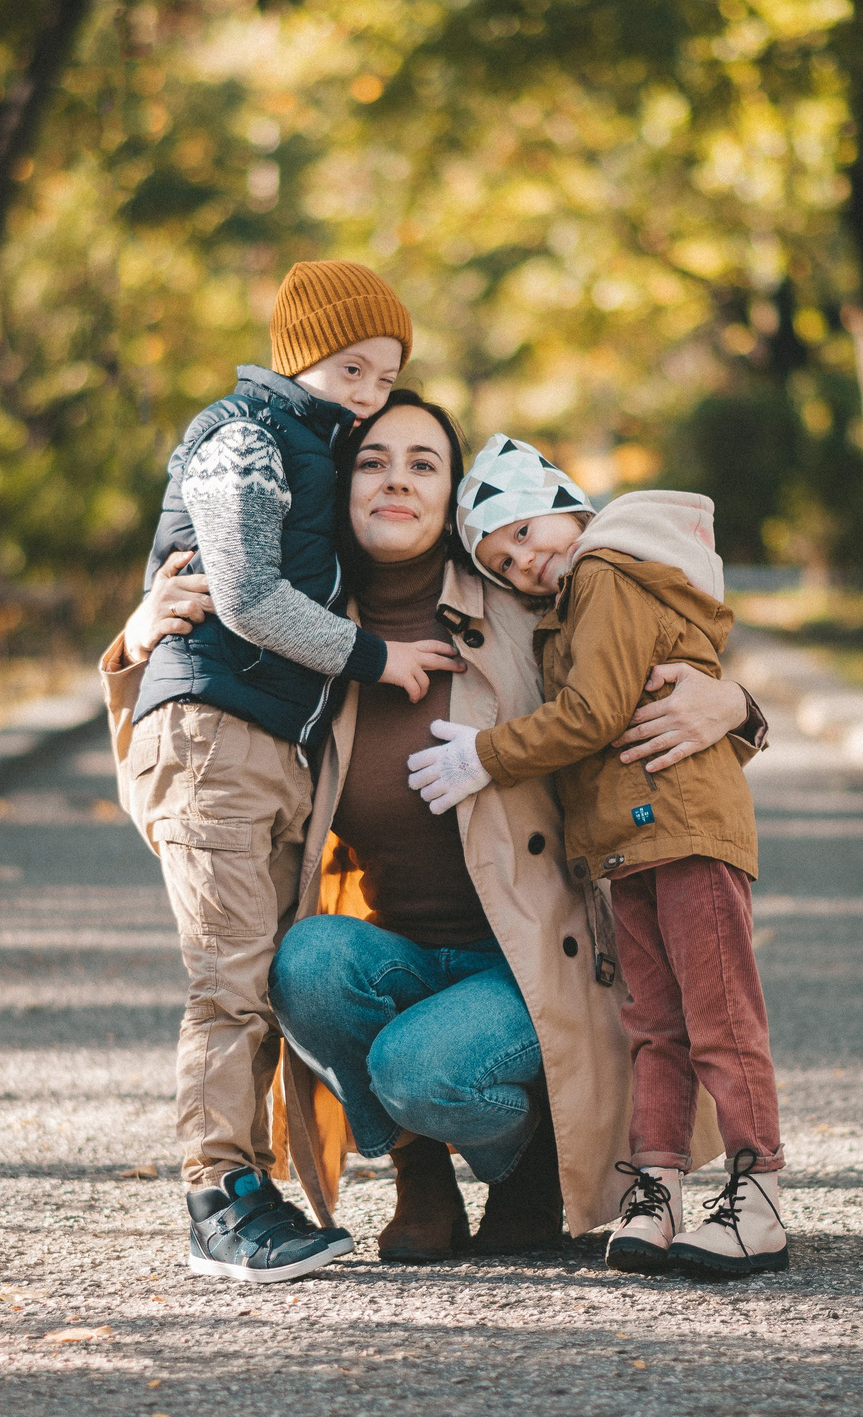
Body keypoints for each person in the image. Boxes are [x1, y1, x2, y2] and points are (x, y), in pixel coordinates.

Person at [112, 397, 765, 1263]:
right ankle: (425, 1177)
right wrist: (134, 640)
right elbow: (189, 756)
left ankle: (530, 1158)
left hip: (532, 962)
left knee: (418, 1070)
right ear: (340, 490)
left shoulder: (527, 604)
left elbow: (654, 659)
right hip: (401, 953)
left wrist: (739, 708)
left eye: (425, 463)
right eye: (374, 461)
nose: (396, 479)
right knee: (303, 963)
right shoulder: (298, 630)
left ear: (455, 500)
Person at [118, 261, 464, 1285]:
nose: (366, 391)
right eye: (351, 367)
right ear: (294, 353)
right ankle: (218, 1199)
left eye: (385, 374)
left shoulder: (319, 450)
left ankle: (248, 1186)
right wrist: (376, 658)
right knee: (227, 983)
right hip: (215, 737)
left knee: (255, 978)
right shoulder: (246, 439)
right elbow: (246, 594)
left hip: (265, 744)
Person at [407, 434, 788, 1279]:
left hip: (685, 827)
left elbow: (594, 712)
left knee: (720, 1015)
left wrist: (485, 754)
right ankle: (653, 1188)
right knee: (653, 1025)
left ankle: (757, 1194)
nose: (525, 558)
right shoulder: (577, 597)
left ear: (570, 504)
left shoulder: (607, 573)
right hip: (629, 843)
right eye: (504, 556)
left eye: (528, 529)